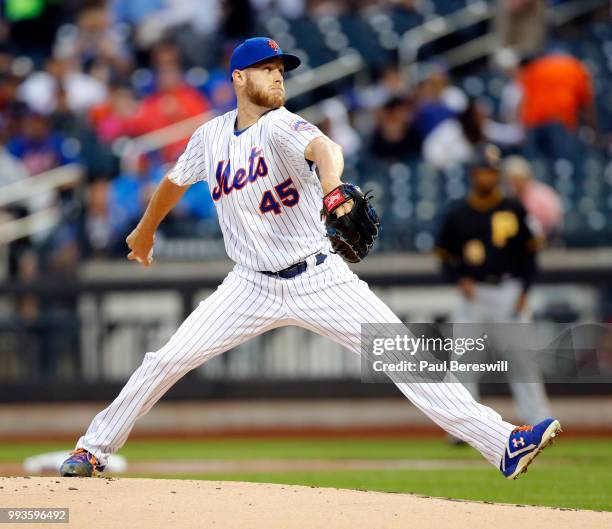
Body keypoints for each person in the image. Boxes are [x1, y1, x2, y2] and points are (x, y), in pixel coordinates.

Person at [59, 38, 560, 480]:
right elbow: (173, 182)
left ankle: (502, 444)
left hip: (318, 277)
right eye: (266, 68)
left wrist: (331, 187)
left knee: (404, 356)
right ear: (239, 77)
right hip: (248, 285)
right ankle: (93, 448)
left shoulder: (282, 125)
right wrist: (144, 232)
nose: (277, 75)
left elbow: (324, 147)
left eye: (282, 68)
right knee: (164, 360)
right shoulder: (209, 138)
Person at [435, 145, 551, 427]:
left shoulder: (513, 206)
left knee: (522, 361)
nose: (487, 177)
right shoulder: (459, 212)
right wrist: (459, 278)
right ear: (474, 174)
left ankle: (538, 420)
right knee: (463, 362)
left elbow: (530, 253)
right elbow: (444, 254)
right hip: (474, 293)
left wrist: (525, 290)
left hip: (509, 290)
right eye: (482, 171)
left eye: (491, 172)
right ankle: (463, 426)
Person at [502, 155, 562, 237]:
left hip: (545, 240)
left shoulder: (544, 195)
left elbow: (554, 221)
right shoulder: (505, 197)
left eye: (518, 179)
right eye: (512, 180)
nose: (515, 183)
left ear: (526, 177)